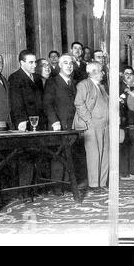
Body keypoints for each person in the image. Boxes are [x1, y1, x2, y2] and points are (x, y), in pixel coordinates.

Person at [43, 54, 85, 189]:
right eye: (65, 63)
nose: (69, 65)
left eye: (71, 63)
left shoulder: (73, 83)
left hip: (73, 125)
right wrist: (54, 122)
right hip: (59, 125)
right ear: (60, 65)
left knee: (70, 155)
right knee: (58, 156)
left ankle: (68, 185)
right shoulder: (52, 82)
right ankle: (56, 186)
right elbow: (47, 104)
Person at [73, 62, 109, 191]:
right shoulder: (83, 85)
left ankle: (102, 183)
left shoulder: (101, 86)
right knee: (94, 155)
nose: (103, 73)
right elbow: (79, 103)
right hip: (92, 125)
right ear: (93, 72)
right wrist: (88, 121)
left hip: (104, 125)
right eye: (101, 71)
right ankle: (94, 184)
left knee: (105, 154)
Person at [8, 50, 46, 131]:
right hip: (25, 123)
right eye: (31, 62)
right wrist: (21, 120)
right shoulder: (15, 78)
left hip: (40, 121)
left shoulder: (37, 78)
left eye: (35, 62)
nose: (35, 65)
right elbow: (16, 102)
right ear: (22, 63)